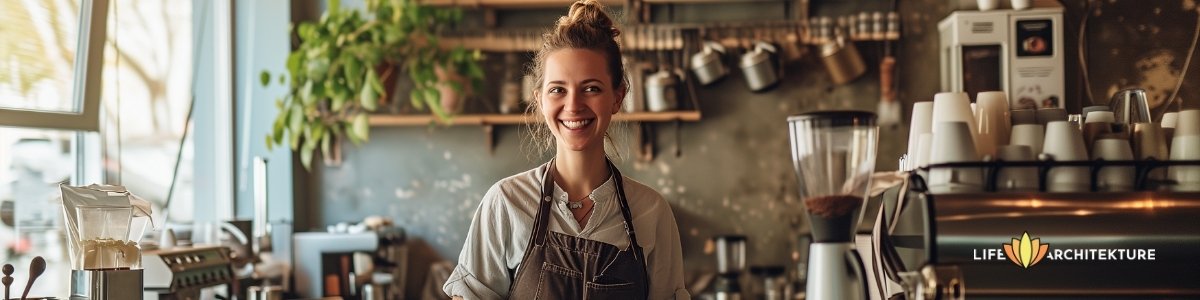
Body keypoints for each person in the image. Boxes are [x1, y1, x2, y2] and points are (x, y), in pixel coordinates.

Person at [442, 0, 688, 299]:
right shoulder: (506, 203)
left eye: (591, 88)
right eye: (558, 89)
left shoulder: (651, 212)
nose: (573, 106)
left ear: (617, 97)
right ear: (541, 99)